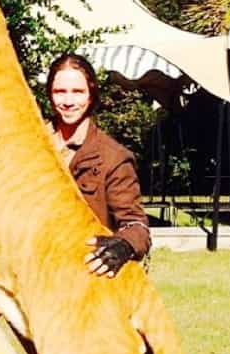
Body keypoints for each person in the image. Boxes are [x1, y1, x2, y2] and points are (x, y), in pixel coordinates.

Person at [46, 53, 151, 278]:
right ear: (49, 94)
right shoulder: (32, 144)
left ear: (91, 94)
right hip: (35, 271)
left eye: (78, 92)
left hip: (85, 277)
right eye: (59, 91)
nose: (68, 101)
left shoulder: (113, 157)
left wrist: (123, 246)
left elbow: (136, 225)